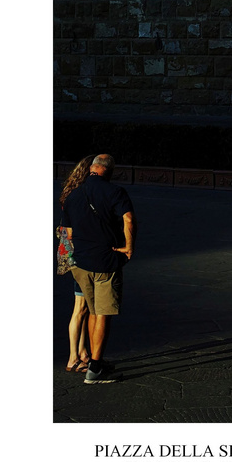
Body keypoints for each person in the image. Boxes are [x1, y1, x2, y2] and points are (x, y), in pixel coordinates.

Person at [58, 153, 135, 384]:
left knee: (91, 310)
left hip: (81, 264)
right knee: (102, 314)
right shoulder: (115, 192)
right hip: (104, 262)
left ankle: (93, 360)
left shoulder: (73, 195)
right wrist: (129, 247)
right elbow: (129, 219)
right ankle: (95, 369)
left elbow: (67, 233)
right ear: (110, 171)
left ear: (91, 168)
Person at [57, 156, 95, 373]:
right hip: (80, 255)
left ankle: (82, 353)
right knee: (80, 308)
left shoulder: (71, 193)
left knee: (85, 307)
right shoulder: (80, 196)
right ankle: (73, 357)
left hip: (73, 254)